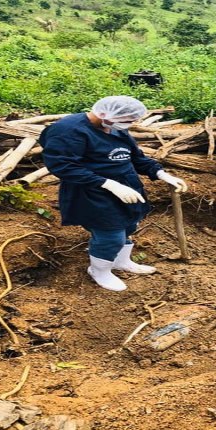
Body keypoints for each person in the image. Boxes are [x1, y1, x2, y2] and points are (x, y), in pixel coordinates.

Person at [40, 96, 188, 292]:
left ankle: (121, 261)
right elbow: (62, 166)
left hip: (126, 186)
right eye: (128, 120)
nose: (130, 124)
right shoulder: (68, 131)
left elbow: (134, 157)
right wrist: (107, 184)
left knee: (129, 224)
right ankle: (99, 271)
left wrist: (160, 173)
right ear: (104, 115)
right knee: (110, 234)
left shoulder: (115, 126)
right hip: (91, 191)